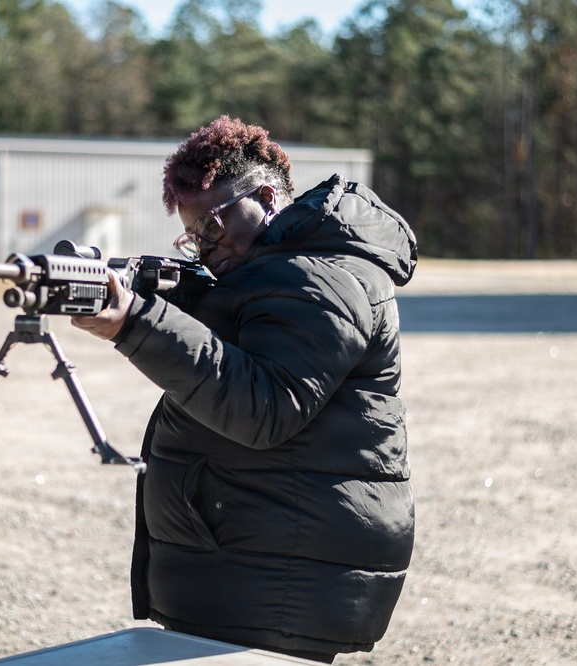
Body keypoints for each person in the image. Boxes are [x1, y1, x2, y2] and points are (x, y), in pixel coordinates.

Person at [72, 115, 417, 662]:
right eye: (191, 235)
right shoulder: (271, 273)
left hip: (280, 574)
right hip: (260, 557)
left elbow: (265, 408)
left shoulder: (319, 278)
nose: (203, 247)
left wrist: (135, 323)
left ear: (264, 198)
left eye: (211, 225)